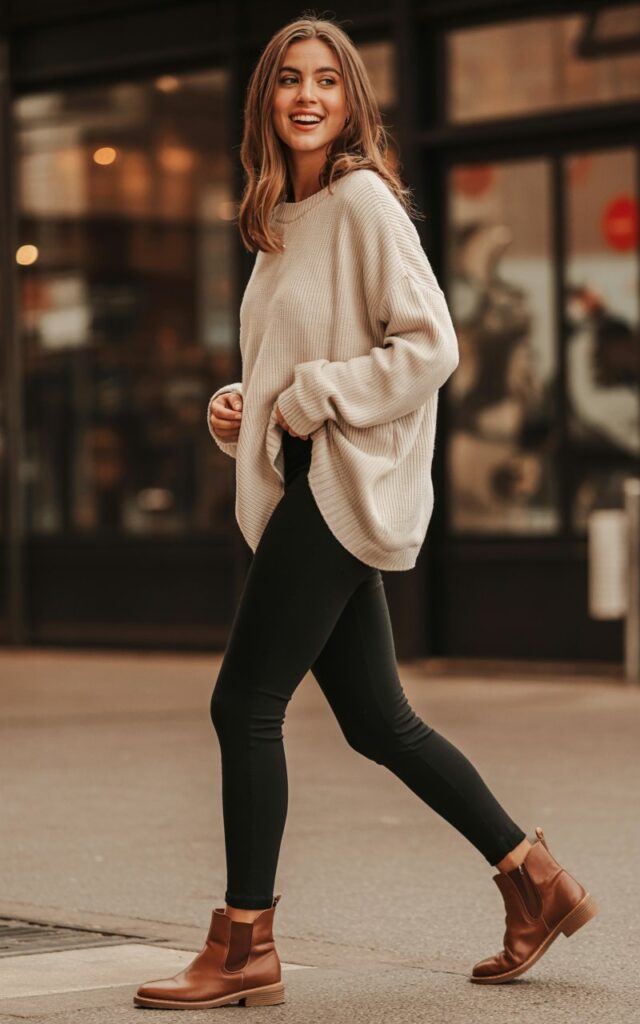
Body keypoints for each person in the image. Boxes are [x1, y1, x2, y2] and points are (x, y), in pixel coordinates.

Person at [133, 15, 597, 1011]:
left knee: (244, 701)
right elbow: (291, 367)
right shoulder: (279, 223)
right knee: (378, 720)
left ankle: (245, 941)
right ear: (266, 100)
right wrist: (243, 405)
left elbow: (428, 347)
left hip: (339, 487)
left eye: (326, 83)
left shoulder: (362, 203)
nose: (306, 96)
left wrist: (308, 397)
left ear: (351, 103)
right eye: (288, 80)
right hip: (308, 478)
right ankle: (534, 880)